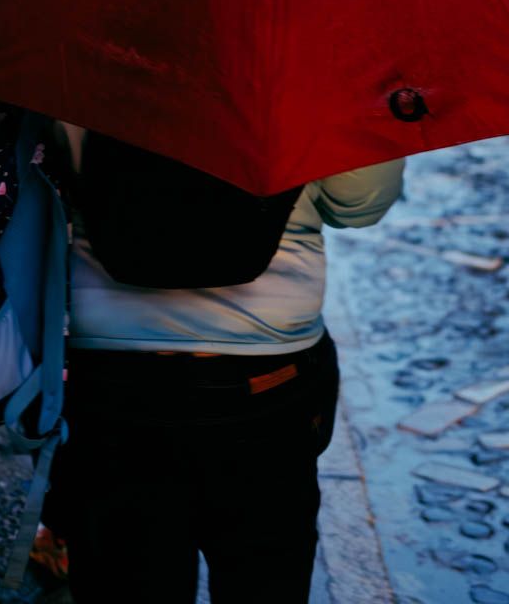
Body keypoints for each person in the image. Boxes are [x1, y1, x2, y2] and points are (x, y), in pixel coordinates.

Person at [39, 120, 403, 603]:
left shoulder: (73, 71)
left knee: (126, 577)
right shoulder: (304, 77)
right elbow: (358, 204)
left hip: (110, 376)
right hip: (266, 377)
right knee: (263, 579)